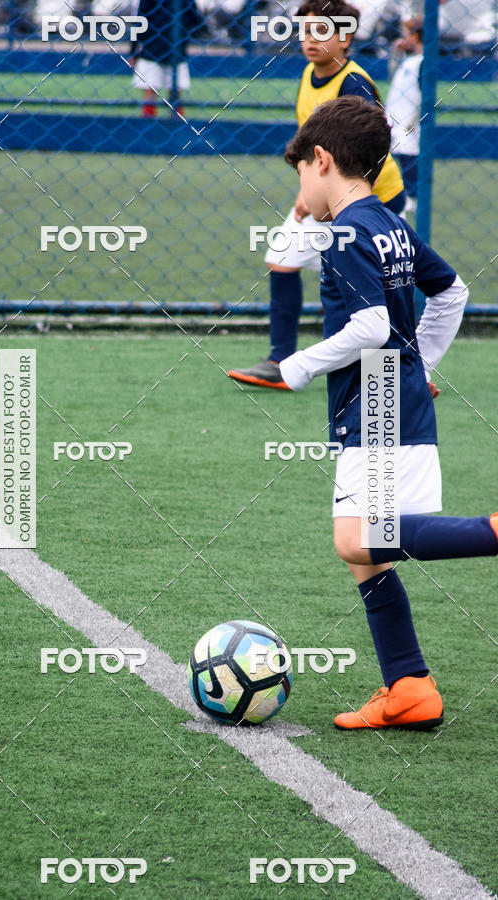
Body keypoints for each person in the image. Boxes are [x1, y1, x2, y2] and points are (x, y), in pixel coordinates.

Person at [279, 95, 497, 729]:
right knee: (366, 552)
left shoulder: (347, 230)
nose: (300, 190)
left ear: (322, 159)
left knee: (356, 539)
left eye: (301, 172)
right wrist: (420, 364)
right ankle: (409, 687)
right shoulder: (387, 223)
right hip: (393, 393)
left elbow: (372, 326)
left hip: (374, 399)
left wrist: (299, 364)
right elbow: (451, 291)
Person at [227, 0, 405, 389]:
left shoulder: (354, 84)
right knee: (281, 258)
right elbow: (314, 146)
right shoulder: (310, 73)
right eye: (305, 31)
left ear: (346, 39)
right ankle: (279, 361)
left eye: (321, 32)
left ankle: (405, 373)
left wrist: (333, 197)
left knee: (380, 290)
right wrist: (308, 191)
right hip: (329, 196)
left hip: (372, 200)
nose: (310, 39)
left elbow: (372, 149)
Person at [129, 0, 204, 118]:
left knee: (152, 93)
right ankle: (171, 123)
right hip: (168, 49)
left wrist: (133, 51)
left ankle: (154, 123)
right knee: (170, 94)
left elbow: (139, 21)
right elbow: (195, 20)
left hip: (153, 49)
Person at [385, 17, 424, 213]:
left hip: (409, 118)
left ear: (415, 36)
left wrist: (415, 118)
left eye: (406, 34)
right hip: (396, 114)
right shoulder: (408, 60)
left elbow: (424, 93)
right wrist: (395, 53)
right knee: (398, 154)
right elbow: (392, 76)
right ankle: (400, 192)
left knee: (408, 153)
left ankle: (413, 195)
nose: (403, 38)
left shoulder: (422, 62)